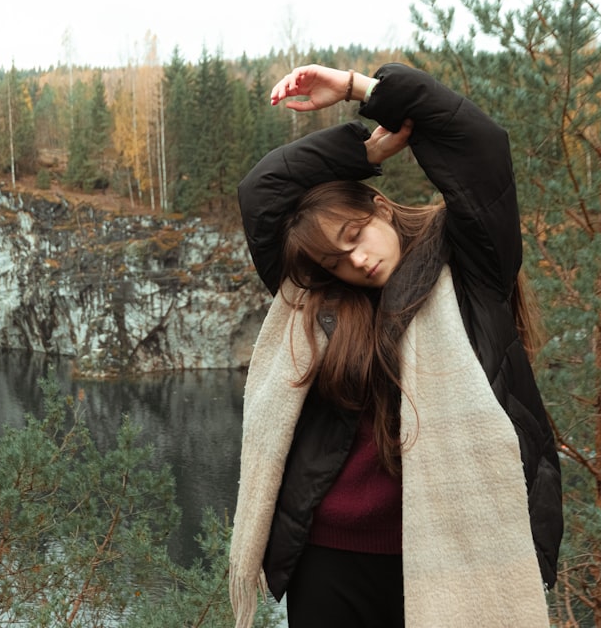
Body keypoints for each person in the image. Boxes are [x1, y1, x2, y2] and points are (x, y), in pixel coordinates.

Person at [228, 64, 562, 628]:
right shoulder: (316, 295)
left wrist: (364, 90)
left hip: (450, 556)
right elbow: (261, 194)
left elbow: (480, 147)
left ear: (379, 208)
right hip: (328, 560)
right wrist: (363, 155)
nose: (354, 261)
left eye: (355, 237)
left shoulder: (472, 268)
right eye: (336, 258)